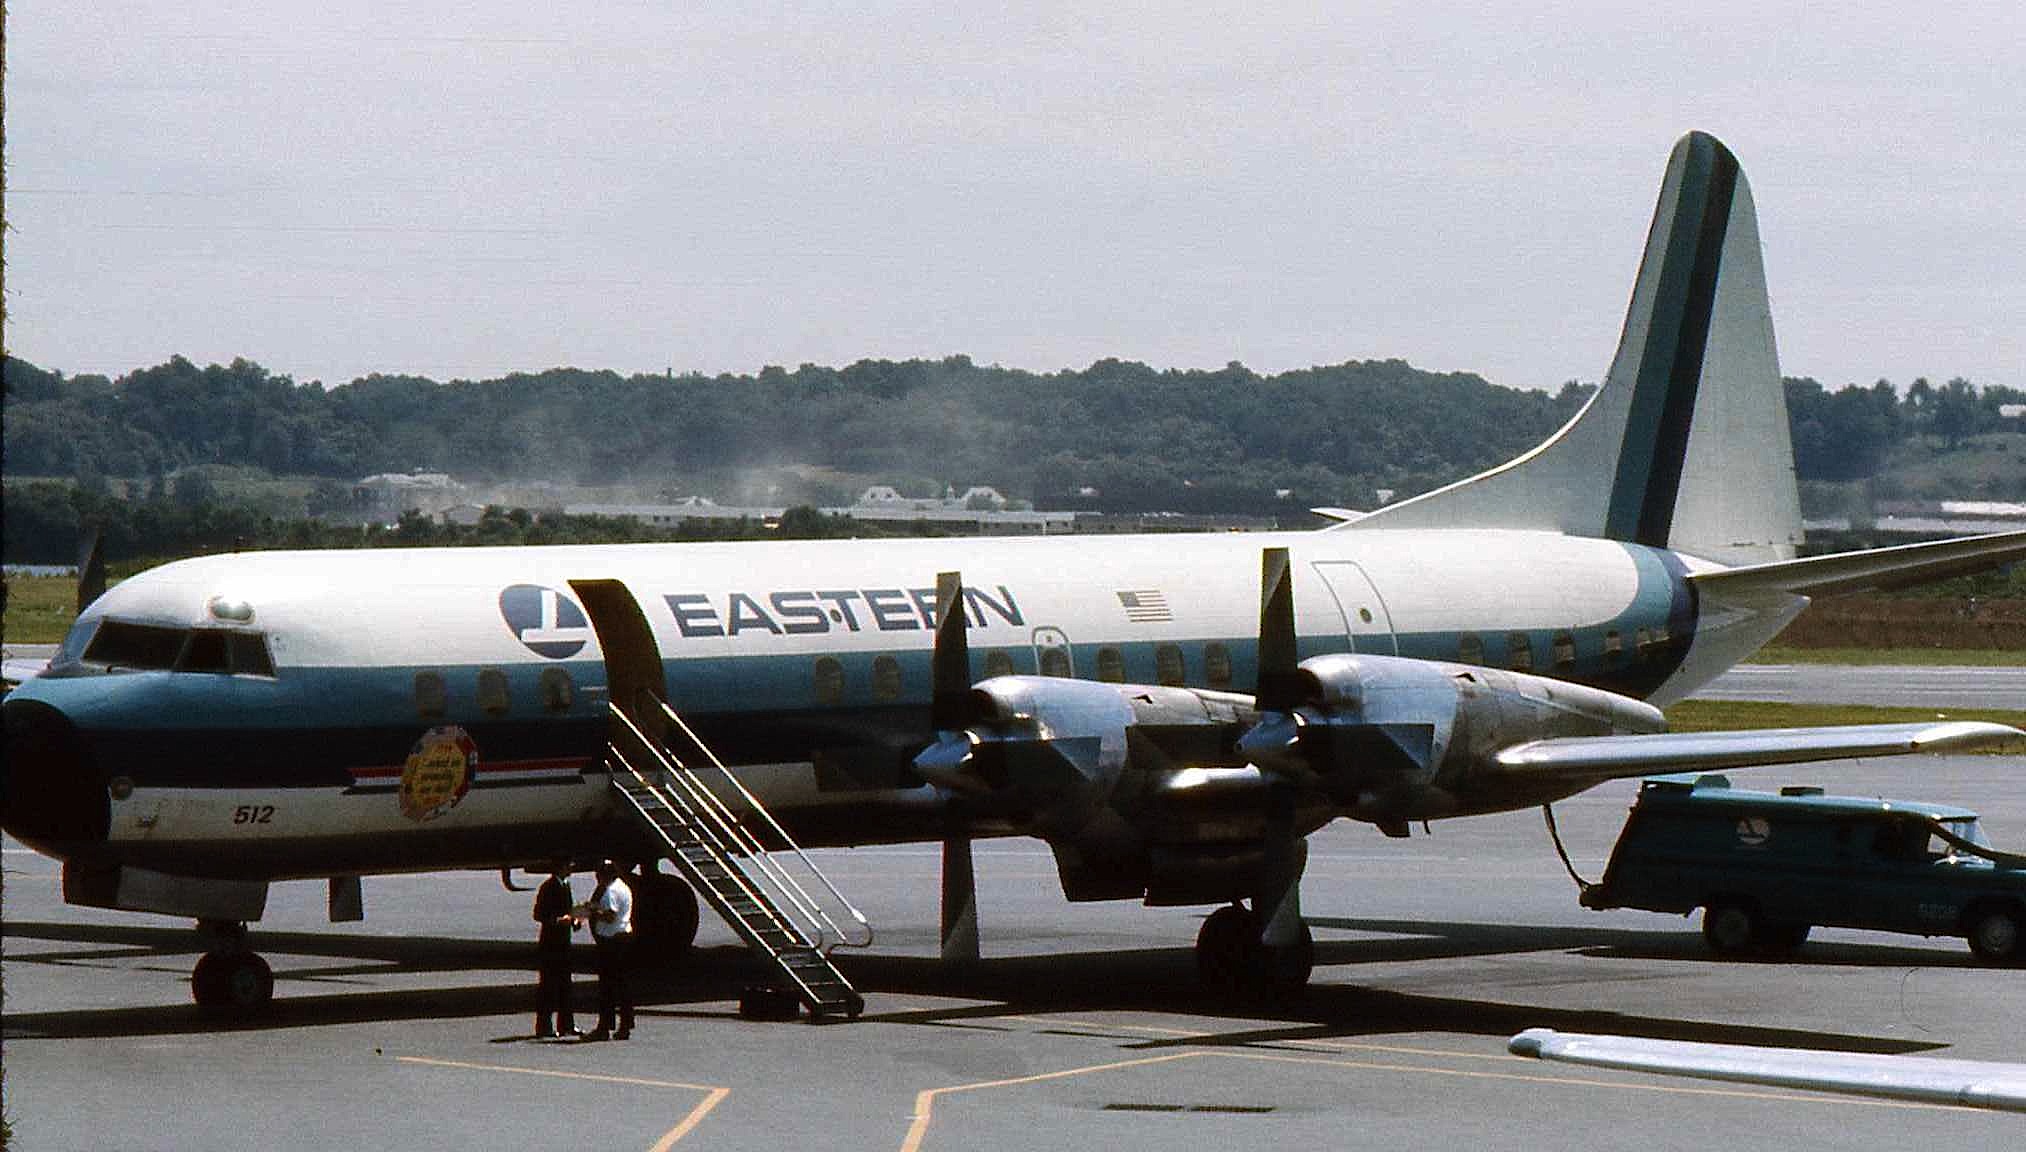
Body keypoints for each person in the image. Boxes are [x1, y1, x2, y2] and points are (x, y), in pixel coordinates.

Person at [577, 859, 635, 1041]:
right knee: (622, 984)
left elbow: (610, 916)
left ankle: (604, 1027)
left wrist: (592, 911)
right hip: (622, 937)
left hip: (612, 941)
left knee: (607, 987)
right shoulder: (623, 887)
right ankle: (625, 1023)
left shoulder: (611, 891)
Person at [531, 859, 579, 1038]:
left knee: (566, 985)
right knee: (548, 986)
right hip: (550, 943)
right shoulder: (548, 887)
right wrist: (557, 920)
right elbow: (538, 914)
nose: (571, 870)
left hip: (564, 942)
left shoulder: (566, 885)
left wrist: (575, 920)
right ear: (561, 868)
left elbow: (569, 910)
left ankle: (567, 1024)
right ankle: (544, 1026)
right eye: (569, 866)